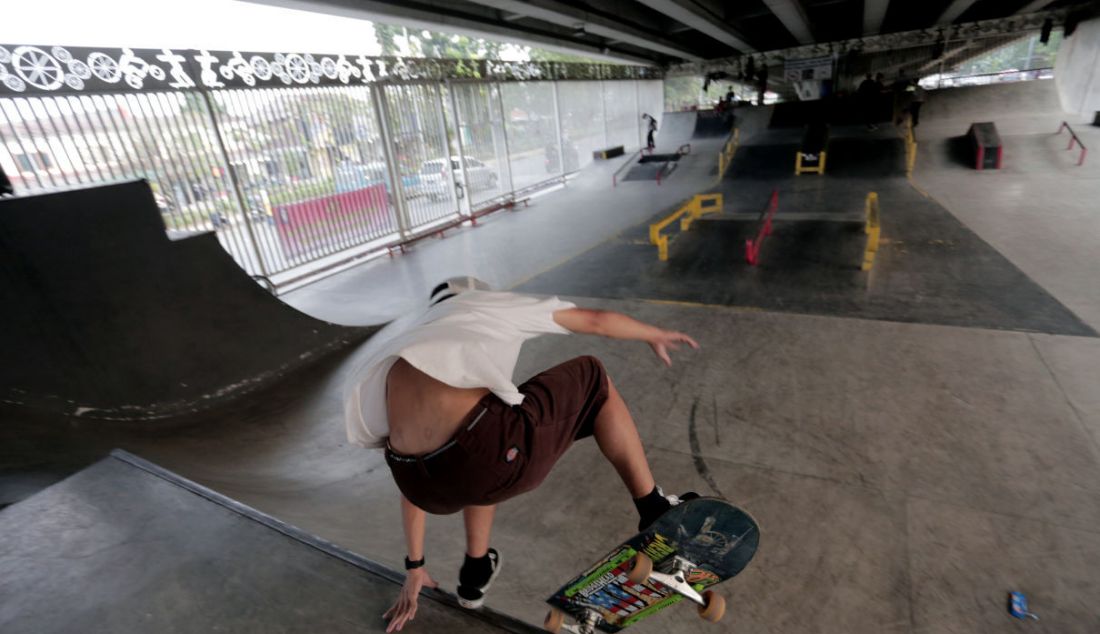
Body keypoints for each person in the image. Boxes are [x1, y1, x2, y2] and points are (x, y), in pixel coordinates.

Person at [344, 277, 699, 632]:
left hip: (418, 480)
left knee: (479, 439)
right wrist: (652, 334)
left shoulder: (401, 349)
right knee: (592, 377)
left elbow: (417, 463)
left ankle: (477, 567)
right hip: (483, 453)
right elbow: (595, 321)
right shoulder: (484, 305)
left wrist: (414, 566)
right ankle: (654, 508)